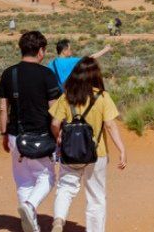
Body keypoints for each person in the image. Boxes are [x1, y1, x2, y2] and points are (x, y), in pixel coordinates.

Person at [49, 57, 127, 232]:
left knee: (66, 187)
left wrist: (59, 137)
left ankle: (59, 220)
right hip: (96, 153)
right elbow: (110, 125)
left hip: (70, 152)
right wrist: (121, 149)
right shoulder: (102, 96)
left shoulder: (66, 97)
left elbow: (54, 123)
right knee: (96, 196)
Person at [0, 31, 63, 232]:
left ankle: (31, 223)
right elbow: (55, 109)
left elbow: (2, 108)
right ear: (40, 51)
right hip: (42, 135)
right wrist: (58, 133)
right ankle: (29, 206)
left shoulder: (10, 73)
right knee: (48, 176)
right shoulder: (47, 75)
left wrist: (4, 133)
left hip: (17, 135)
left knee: (23, 179)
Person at [46, 39, 113, 86]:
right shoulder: (72, 61)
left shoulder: (50, 64)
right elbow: (91, 58)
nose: (71, 51)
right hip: (69, 94)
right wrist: (105, 50)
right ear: (64, 51)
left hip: (58, 98)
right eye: (70, 49)